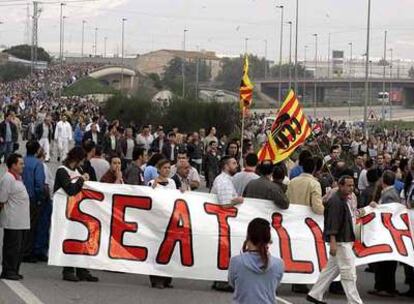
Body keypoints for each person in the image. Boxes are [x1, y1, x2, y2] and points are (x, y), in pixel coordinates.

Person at [307, 175, 363, 304]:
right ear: (340, 185)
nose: (351, 188)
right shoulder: (336, 201)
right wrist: (333, 241)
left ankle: (315, 294)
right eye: (348, 185)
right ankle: (354, 302)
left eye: (352, 185)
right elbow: (332, 223)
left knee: (331, 269)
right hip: (341, 241)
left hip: (344, 239)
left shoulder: (343, 200)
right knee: (348, 272)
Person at [53, 146, 98, 282]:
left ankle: (81, 269)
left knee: (81, 238)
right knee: (69, 239)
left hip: (78, 210)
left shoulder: (78, 170)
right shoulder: (62, 171)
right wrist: (81, 180)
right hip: (65, 211)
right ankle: (68, 270)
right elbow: (71, 190)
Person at [287, 157, 323, 294]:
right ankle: (301, 281)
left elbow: (287, 200)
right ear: (314, 168)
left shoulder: (292, 182)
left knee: (295, 250)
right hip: (308, 223)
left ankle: (296, 281)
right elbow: (317, 207)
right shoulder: (314, 184)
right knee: (306, 251)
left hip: (293, 221)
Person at [228, 218, 284, 304]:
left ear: (248, 236)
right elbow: (275, 285)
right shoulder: (278, 264)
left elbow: (232, 284)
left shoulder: (236, 261)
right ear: (268, 238)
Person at [211, 156, 243, 292]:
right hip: (222, 221)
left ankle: (221, 280)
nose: (236, 165)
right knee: (225, 251)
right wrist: (238, 200)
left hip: (224, 222)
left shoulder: (227, 180)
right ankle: (221, 280)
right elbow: (224, 204)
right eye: (233, 163)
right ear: (225, 166)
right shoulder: (223, 181)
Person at [368, 170, 400, 297]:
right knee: (384, 261)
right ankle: (383, 286)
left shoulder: (389, 195)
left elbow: (387, 213)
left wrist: (376, 207)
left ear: (383, 180)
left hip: (386, 233)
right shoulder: (390, 192)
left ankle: (385, 287)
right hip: (387, 233)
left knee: (385, 262)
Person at [0, 153, 30, 280]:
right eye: (20, 164)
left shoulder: (17, 177)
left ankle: (14, 269)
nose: (23, 165)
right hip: (13, 220)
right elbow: (2, 198)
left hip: (21, 220)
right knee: (12, 247)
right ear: (13, 165)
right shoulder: (7, 178)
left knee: (19, 248)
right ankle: (8, 271)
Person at [148, 159, 176, 289]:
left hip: (170, 219)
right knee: (157, 250)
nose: (167, 170)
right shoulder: (151, 183)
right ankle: (156, 279)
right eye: (164, 168)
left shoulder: (172, 183)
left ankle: (167, 278)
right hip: (157, 220)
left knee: (169, 249)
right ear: (158, 169)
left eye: (168, 168)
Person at [22, 140, 45, 263]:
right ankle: (27, 252)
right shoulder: (38, 164)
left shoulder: (21, 161)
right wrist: (40, 199)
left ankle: (20, 249)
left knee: (20, 225)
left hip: (19, 197)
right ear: (37, 150)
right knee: (31, 226)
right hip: (32, 198)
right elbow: (39, 184)